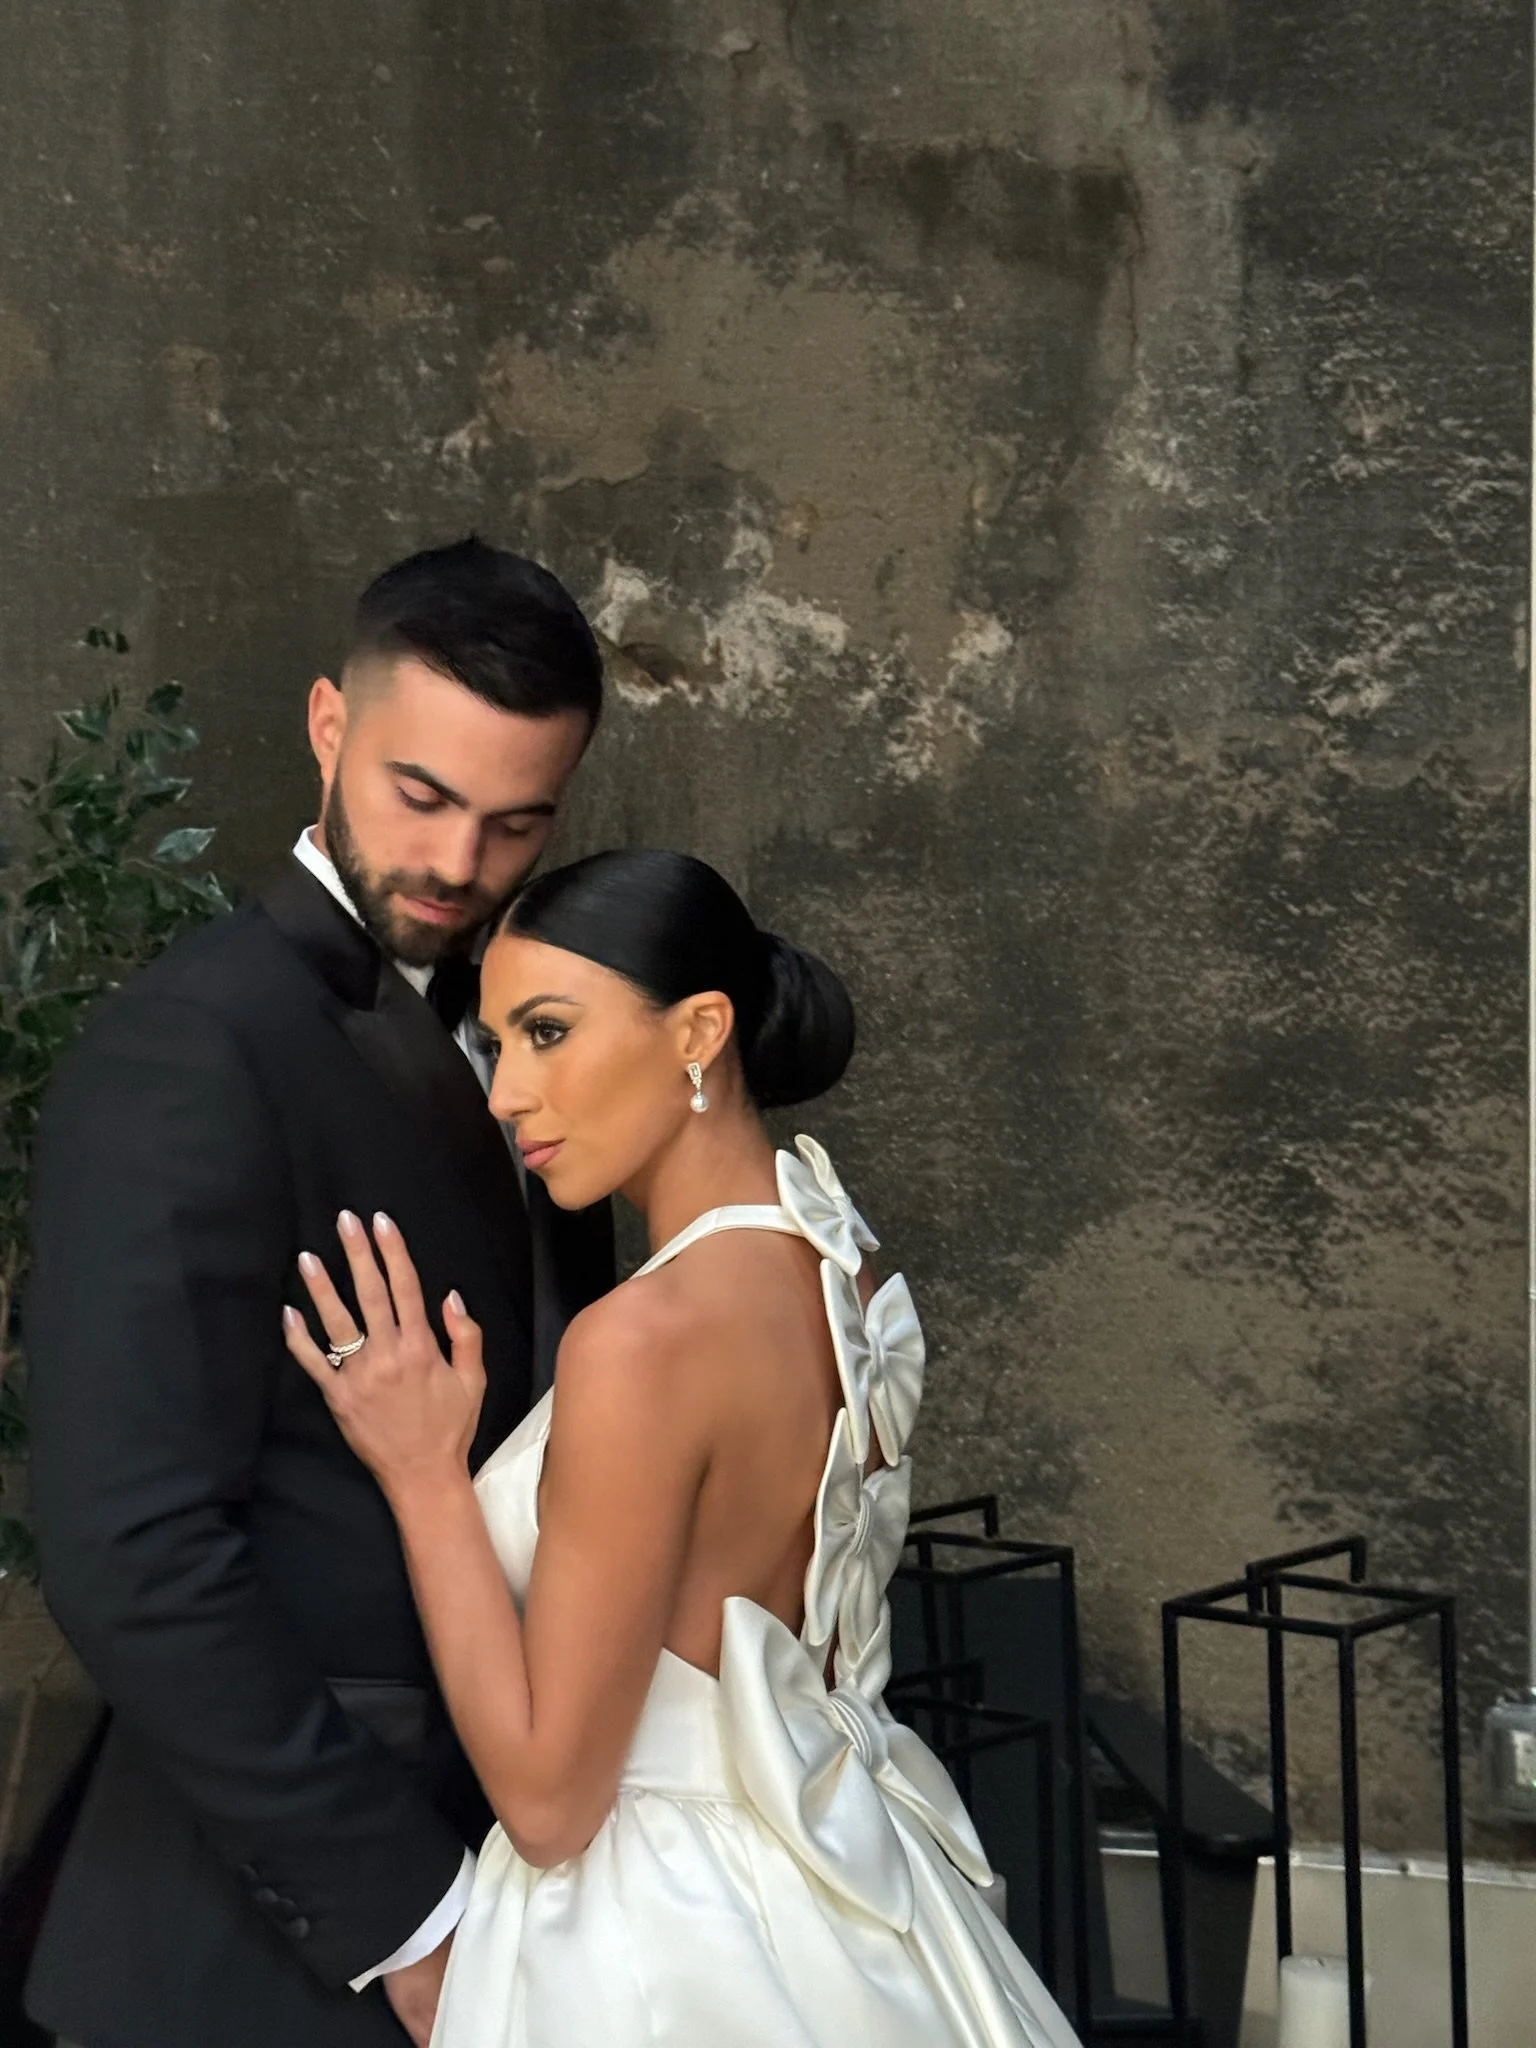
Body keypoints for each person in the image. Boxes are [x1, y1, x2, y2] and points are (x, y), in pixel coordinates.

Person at [283, 848, 1083, 2048]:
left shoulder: (643, 1340)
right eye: (498, 1042)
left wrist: (422, 1474)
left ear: (700, 1030)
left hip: (654, 1932)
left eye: (548, 1032)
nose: (506, 1093)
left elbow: (550, 1801)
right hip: (847, 1903)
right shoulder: (847, 1266)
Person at [23, 538, 616, 2048]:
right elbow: (130, 1546)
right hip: (283, 1933)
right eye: (421, 796)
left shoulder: (546, 1031)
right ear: (329, 726)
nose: (459, 864)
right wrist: (411, 1917)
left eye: (515, 823)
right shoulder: (191, 1050)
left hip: (533, 1847)